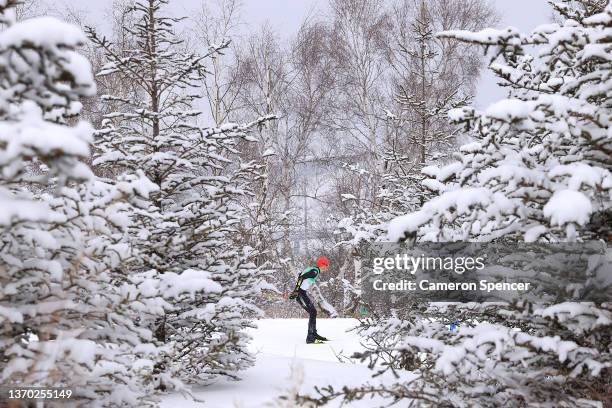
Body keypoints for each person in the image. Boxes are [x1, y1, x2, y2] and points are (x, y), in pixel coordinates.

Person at [289, 256, 330, 344]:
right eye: (326, 266)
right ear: (322, 265)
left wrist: (296, 289)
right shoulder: (314, 271)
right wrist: (296, 291)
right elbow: (301, 278)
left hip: (302, 292)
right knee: (313, 312)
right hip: (300, 293)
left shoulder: (313, 270)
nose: (326, 268)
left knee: (313, 312)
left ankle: (313, 334)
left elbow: (300, 275)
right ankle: (310, 337)